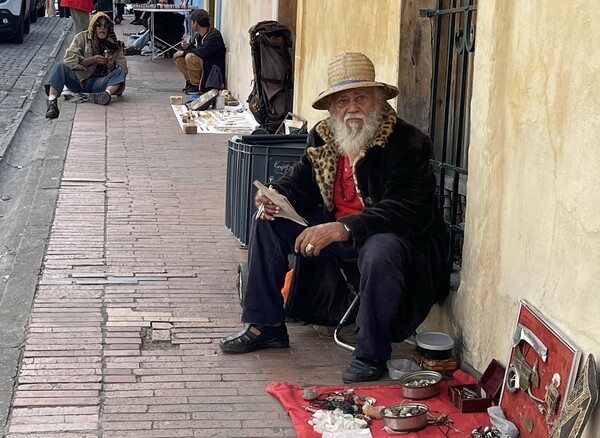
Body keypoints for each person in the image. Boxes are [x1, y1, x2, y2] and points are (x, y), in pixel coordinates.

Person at [219, 52, 451, 383]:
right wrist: (275, 195)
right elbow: (301, 181)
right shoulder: (325, 135)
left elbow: (408, 209)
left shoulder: (407, 141)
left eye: (361, 98)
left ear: (379, 100)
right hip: (338, 233)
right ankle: (266, 324)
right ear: (332, 108)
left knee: (380, 249)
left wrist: (344, 227)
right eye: (343, 101)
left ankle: (371, 353)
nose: (352, 108)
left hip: (394, 240)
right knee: (268, 221)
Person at [44, 12, 128, 119]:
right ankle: (52, 103)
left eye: (105, 25)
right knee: (59, 67)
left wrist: (112, 65)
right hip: (79, 80)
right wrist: (91, 60)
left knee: (120, 72)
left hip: (98, 83)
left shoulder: (115, 45)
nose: (102, 28)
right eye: (99, 25)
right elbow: (69, 60)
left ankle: (105, 95)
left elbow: (123, 68)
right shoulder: (81, 38)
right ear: (94, 26)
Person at [173, 8, 225, 94]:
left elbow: (203, 52)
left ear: (196, 23)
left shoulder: (214, 35)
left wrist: (184, 52)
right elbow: (193, 48)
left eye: (192, 22)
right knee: (179, 59)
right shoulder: (198, 36)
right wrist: (185, 48)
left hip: (211, 69)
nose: (191, 24)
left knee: (190, 57)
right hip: (203, 65)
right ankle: (190, 82)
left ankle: (196, 85)